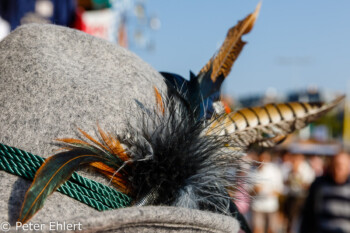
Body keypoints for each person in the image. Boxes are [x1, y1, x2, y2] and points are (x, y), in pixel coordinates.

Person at [300, 151, 350, 233]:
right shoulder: (319, 185)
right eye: (335, 165)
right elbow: (308, 214)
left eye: (342, 166)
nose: (337, 169)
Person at [251, 150, 283, 233]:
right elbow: (248, 191)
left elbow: (279, 189)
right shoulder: (253, 171)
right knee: (257, 229)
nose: (263, 161)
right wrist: (255, 190)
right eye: (261, 159)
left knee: (271, 229)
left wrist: (271, 193)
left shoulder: (274, 171)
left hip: (271, 206)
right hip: (257, 206)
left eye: (265, 159)